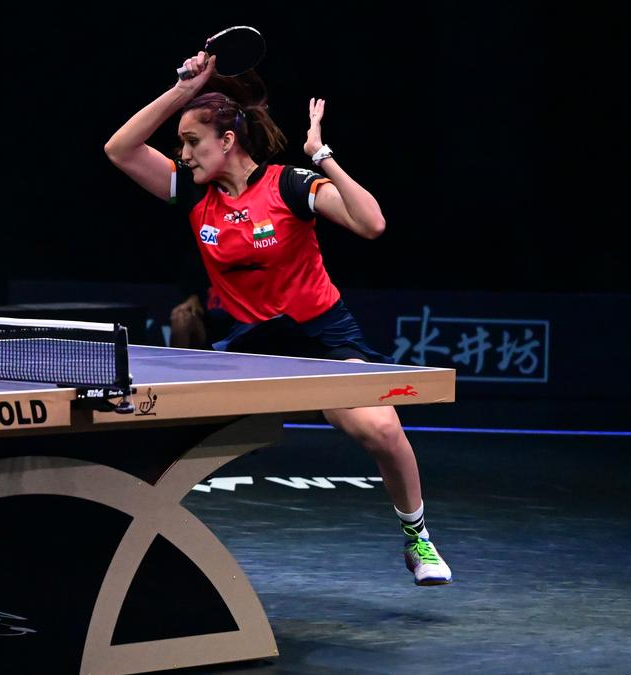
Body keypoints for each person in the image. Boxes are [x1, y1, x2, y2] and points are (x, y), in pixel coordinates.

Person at [104, 51, 452, 585]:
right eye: (181, 144)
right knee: (165, 434)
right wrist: (183, 90)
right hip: (248, 347)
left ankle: (417, 538)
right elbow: (120, 149)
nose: (184, 154)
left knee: (382, 428)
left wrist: (322, 156)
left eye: (192, 142)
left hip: (322, 338)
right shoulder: (192, 194)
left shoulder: (289, 185)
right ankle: (130, 536)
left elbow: (372, 224)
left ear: (227, 140)